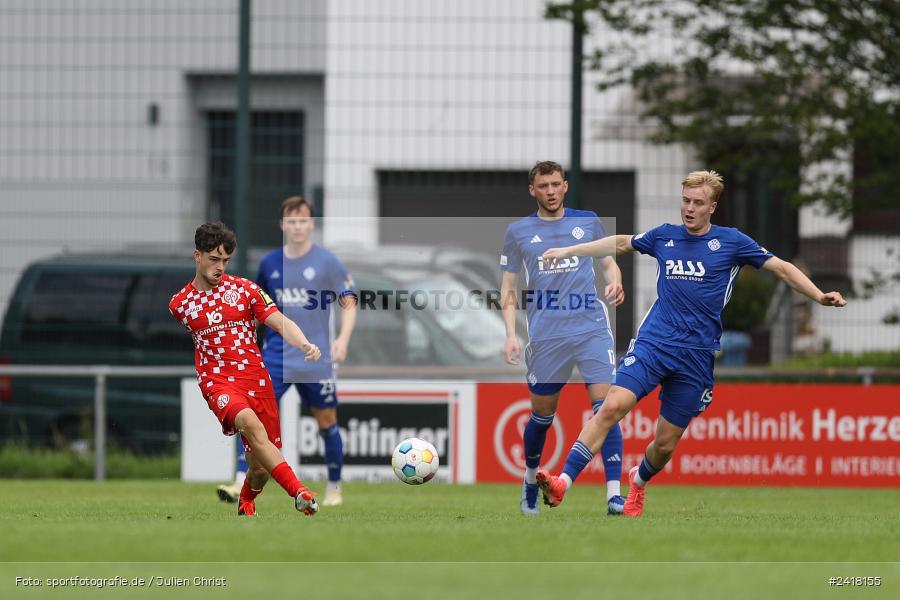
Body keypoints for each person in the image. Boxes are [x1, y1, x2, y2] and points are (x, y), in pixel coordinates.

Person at [536, 170, 847, 516]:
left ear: (712, 207)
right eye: (685, 200)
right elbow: (621, 242)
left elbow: (783, 269)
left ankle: (637, 483)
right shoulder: (665, 237)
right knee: (610, 407)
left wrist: (819, 295)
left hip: (696, 357)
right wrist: (570, 249)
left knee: (665, 445)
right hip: (654, 344)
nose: (689, 208)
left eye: (698, 203)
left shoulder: (732, 242)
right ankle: (563, 482)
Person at [169, 221, 322, 517]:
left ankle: (246, 501)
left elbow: (279, 321)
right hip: (218, 383)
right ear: (197, 256)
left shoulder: (245, 289)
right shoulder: (179, 304)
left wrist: (303, 344)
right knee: (250, 424)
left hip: (257, 380)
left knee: (260, 470)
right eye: (214, 259)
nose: (220, 267)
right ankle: (300, 493)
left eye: (225, 260)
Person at [500, 160, 627, 516]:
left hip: (590, 329)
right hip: (547, 336)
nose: (551, 191)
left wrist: (614, 280)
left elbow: (607, 263)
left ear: (565, 186)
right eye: (544, 186)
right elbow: (508, 287)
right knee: (542, 416)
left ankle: (614, 495)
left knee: (608, 409)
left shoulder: (587, 221)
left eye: (556, 184)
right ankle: (529, 480)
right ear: (533, 190)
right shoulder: (518, 232)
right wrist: (510, 334)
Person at [217, 197, 358, 507]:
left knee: (326, 421)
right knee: (250, 417)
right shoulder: (269, 263)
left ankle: (334, 488)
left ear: (312, 224)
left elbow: (349, 300)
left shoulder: (327, 262)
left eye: (303, 220)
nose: (297, 226)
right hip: (276, 357)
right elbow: (255, 308)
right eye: (291, 221)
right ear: (282, 225)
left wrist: (343, 339)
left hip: (315, 358)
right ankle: (241, 479)